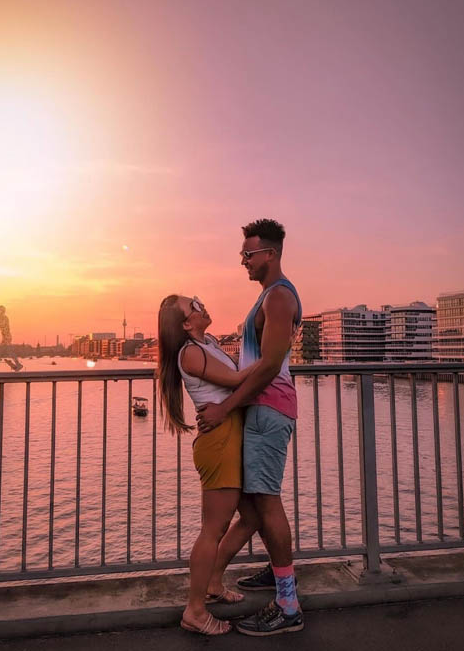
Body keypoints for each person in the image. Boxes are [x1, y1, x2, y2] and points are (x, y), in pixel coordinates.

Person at [196, 218, 304, 636]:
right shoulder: (268, 298)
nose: (243, 261)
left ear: (270, 254)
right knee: (255, 505)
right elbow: (253, 361)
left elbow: (269, 368)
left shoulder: (278, 298)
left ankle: (288, 604)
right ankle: (278, 575)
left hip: (267, 408)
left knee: (266, 503)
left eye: (248, 254)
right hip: (262, 409)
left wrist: (225, 408)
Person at [157, 294, 260, 636]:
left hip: (230, 433)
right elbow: (237, 381)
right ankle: (195, 610)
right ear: (187, 323)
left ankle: (213, 582)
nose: (202, 305)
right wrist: (275, 357)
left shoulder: (209, 343)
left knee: (253, 516)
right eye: (194, 305)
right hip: (220, 441)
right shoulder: (190, 352)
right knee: (212, 529)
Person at [0, 306, 23, 372]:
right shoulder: (1, 318)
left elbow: (0, 324)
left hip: (7, 337)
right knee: (3, 352)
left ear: (2, 311)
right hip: (5, 338)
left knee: (3, 352)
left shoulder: (5, 318)